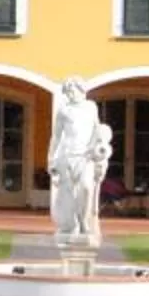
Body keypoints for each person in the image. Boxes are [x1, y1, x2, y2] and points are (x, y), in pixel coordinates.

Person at [47, 78, 101, 244]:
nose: (70, 95)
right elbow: (56, 137)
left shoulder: (91, 107)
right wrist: (51, 159)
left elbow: (96, 129)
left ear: (81, 90)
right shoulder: (64, 110)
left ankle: (84, 221)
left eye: (73, 91)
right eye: (68, 92)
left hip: (85, 156)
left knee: (86, 188)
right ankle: (73, 225)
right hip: (67, 155)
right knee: (69, 193)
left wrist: (94, 147)